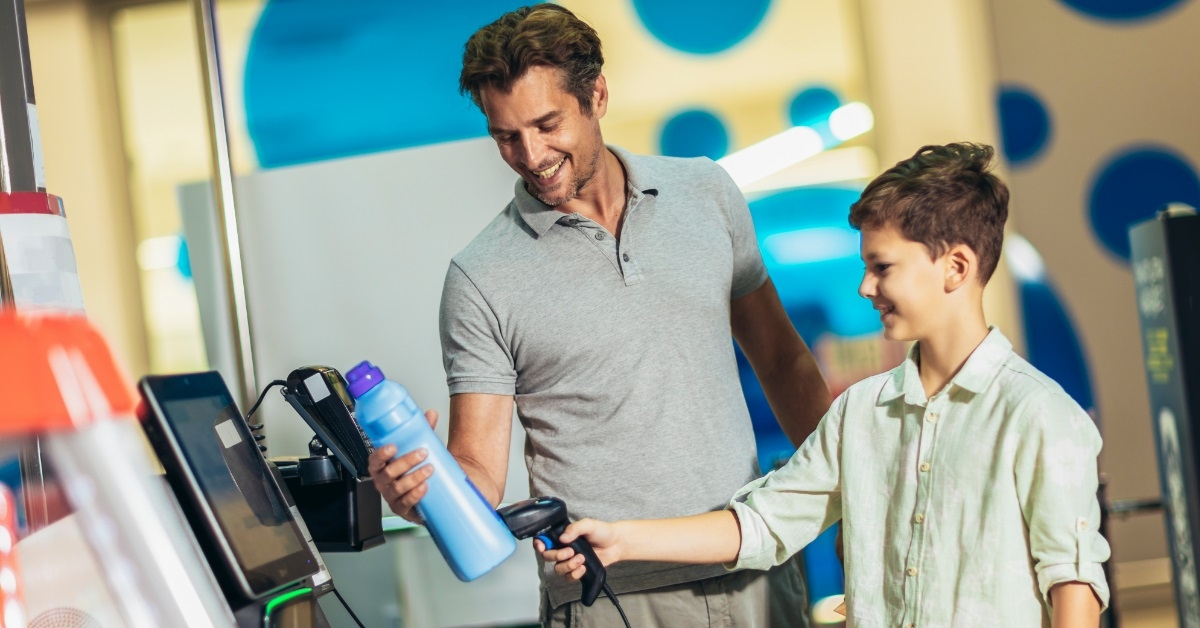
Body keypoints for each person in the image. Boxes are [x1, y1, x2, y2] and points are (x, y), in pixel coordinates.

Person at [365, 4, 831, 626]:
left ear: (597, 95)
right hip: (611, 596)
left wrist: (849, 493)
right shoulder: (481, 277)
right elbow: (477, 470)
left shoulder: (706, 193)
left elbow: (782, 360)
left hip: (753, 563)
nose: (531, 154)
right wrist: (421, 496)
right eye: (506, 136)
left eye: (546, 123)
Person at [544, 143, 1112, 627]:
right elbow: (763, 523)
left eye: (883, 267)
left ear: (956, 268)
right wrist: (621, 541)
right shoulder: (858, 414)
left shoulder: (1041, 415)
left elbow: (1074, 585)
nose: (866, 287)